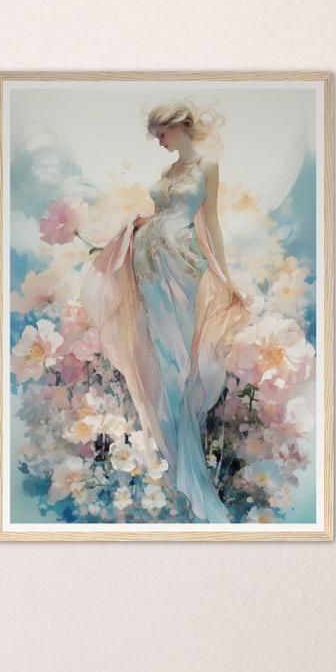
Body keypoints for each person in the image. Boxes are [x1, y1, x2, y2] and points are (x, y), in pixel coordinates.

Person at [81, 101, 247, 522]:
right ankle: (176, 459)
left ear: (179, 126)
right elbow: (161, 214)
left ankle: (188, 459)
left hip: (183, 262)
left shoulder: (206, 166)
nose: (158, 141)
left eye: (161, 133)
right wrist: (139, 224)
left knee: (181, 356)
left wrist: (223, 274)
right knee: (160, 352)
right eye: (156, 134)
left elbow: (212, 224)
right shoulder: (165, 174)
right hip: (149, 259)